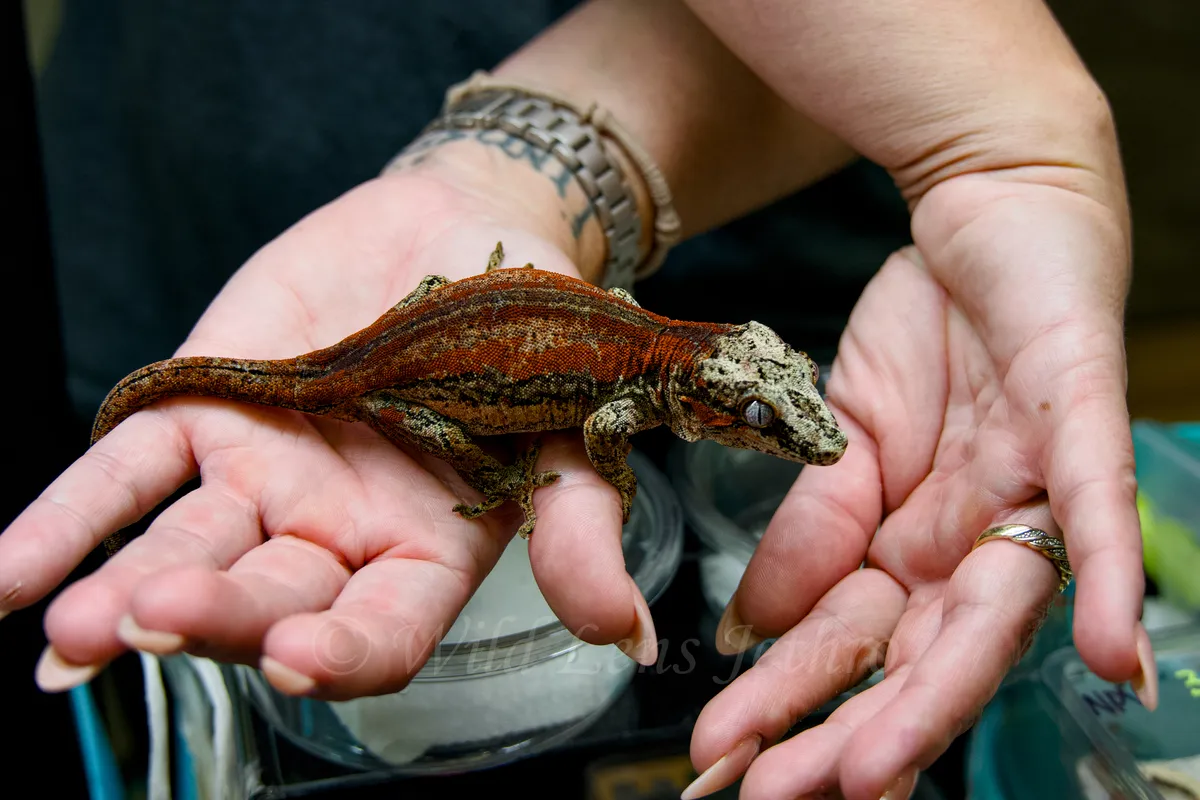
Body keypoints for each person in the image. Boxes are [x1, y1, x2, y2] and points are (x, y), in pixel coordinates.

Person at [3, 1, 1149, 798]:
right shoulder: (636, 389)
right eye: (769, 413)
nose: (800, 432)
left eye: (782, 404)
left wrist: (1010, 147)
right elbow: (601, 428)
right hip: (249, 219)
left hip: (644, 220)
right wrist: (521, 477)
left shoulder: (673, 360)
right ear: (707, 391)